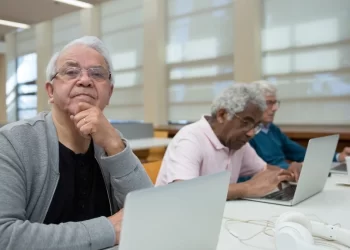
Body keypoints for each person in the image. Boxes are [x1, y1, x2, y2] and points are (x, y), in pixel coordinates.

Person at [0, 36, 153, 250]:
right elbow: (5, 236)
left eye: (97, 73)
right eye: (71, 71)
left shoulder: (110, 141)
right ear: (50, 91)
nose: (85, 80)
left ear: (109, 93)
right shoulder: (13, 143)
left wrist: (115, 146)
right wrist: (109, 228)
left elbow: (150, 214)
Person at [155, 83, 296, 200]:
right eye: (246, 122)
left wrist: (290, 172)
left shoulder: (236, 143)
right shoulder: (190, 139)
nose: (251, 133)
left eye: (256, 126)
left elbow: (263, 169)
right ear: (222, 115)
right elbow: (184, 192)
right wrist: (247, 188)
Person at [249, 80, 350, 180]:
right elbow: (255, 169)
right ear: (254, 105)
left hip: (287, 177)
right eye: (269, 103)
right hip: (270, 181)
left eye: (275, 102)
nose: (275, 108)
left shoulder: (272, 129)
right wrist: (289, 168)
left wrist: (338, 157)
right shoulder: (247, 134)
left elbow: (301, 153)